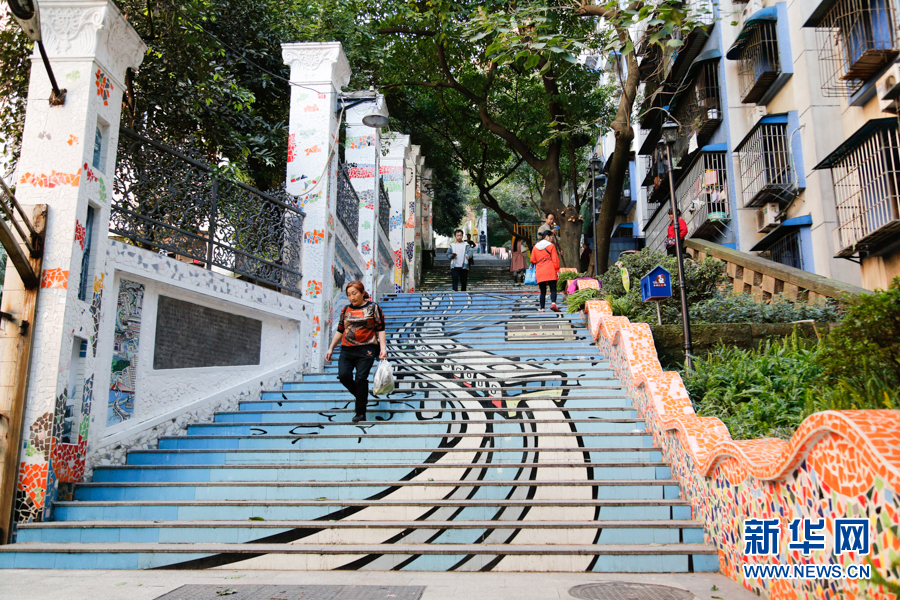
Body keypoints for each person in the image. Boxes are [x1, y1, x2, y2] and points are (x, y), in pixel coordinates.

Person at [324, 281, 387, 423]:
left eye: (355, 293)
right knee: (343, 375)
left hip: (367, 349)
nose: (352, 297)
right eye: (349, 295)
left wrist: (383, 349)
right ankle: (361, 395)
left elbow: (380, 329)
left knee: (360, 378)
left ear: (362, 292)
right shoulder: (345, 310)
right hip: (347, 349)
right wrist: (331, 348)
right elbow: (340, 330)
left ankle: (360, 412)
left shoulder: (373, 308)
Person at [531, 229, 561, 313]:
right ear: (547, 236)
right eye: (551, 237)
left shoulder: (535, 247)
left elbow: (532, 260)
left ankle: (542, 309)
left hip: (540, 270)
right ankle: (553, 304)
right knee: (553, 288)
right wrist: (557, 270)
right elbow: (555, 259)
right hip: (550, 269)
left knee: (543, 291)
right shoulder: (551, 246)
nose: (552, 239)